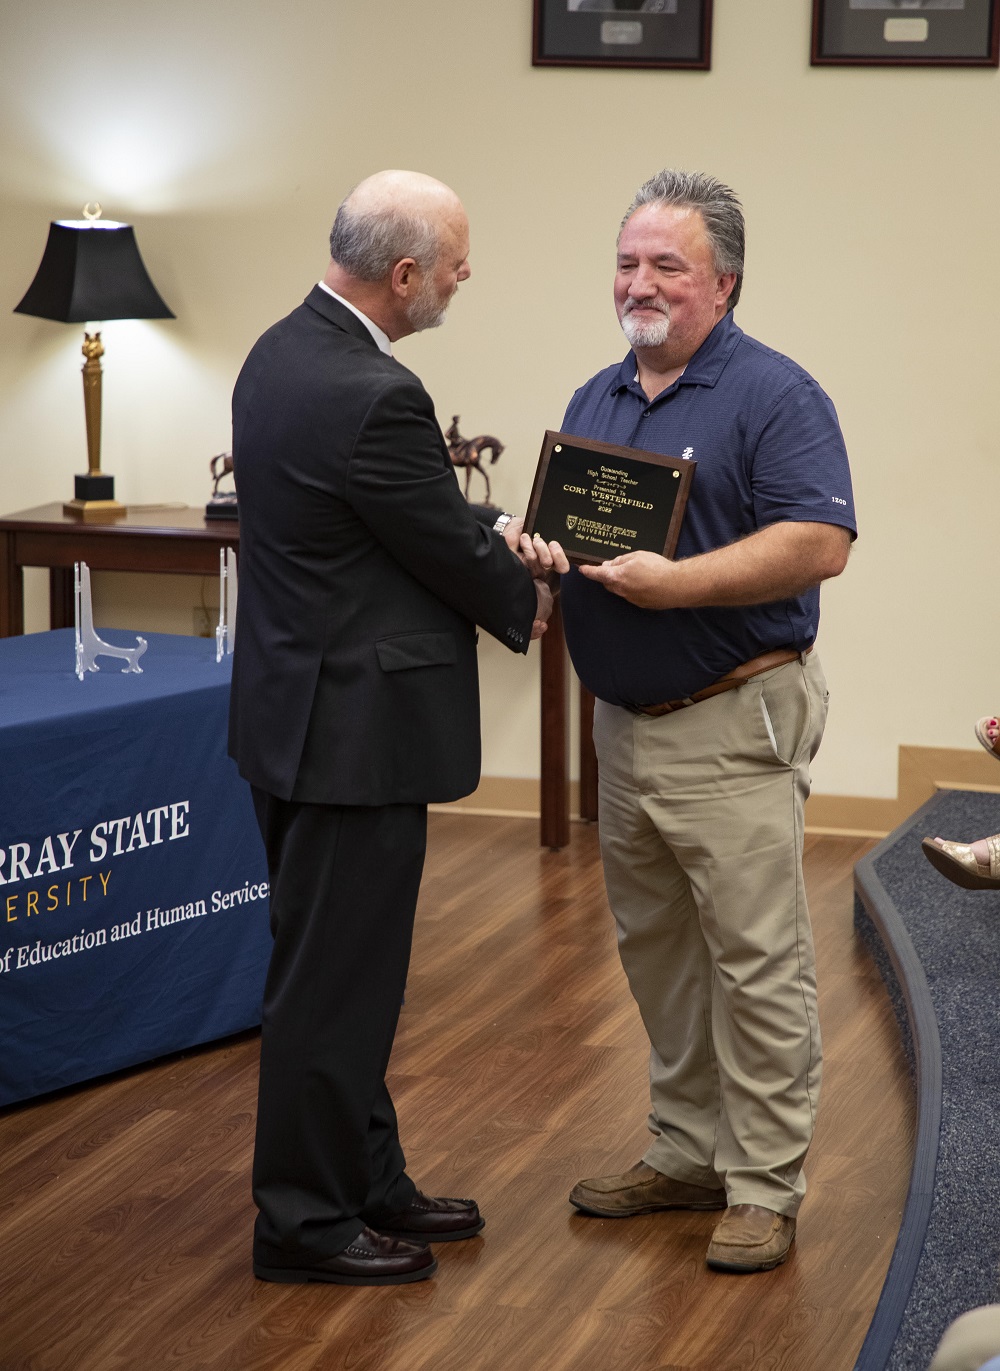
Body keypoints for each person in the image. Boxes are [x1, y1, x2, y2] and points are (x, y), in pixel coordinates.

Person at [229, 169, 561, 1286]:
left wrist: (490, 522)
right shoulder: (380, 394)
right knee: (335, 988)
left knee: (345, 976)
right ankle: (306, 1223)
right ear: (405, 274)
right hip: (351, 739)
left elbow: (383, 507)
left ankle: (367, 1180)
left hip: (293, 720)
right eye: (457, 263)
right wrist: (527, 586)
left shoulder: (282, 351)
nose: (467, 279)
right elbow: (435, 544)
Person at [558, 169, 856, 1273]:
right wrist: (547, 564)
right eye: (628, 262)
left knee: (755, 960)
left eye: (667, 266)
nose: (640, 283)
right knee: (660, 958)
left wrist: (672, 585)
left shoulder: (777, 396)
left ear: (721, 284)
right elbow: (583, 537)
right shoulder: (598, 397)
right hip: (622, 731)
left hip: (732, 723)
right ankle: (685, 1153)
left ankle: (765, 1187)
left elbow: (818, 544)